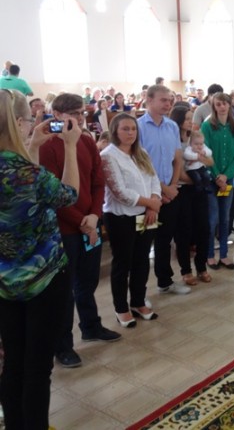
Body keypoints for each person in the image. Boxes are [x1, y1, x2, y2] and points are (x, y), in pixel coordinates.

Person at [0, 89, 80, 429]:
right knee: (36, 368)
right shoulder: (27, 174)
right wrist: (72, 146)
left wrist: (32, 147)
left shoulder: (21, 169)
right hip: (44, 279)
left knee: (13, 363)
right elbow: (68, 194)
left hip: (4, 282)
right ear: (19, 122)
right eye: (29, 121)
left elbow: (24, 197)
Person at [38, 93, 120, 370]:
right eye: (76, 114)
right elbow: (52, 196)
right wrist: (82, 221)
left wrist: (95, 216)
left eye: (84, 114)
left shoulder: (86, 140)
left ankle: (91, 325)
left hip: (89, 223)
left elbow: (98, 182)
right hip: (64, 228)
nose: (82, 119)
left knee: (87, 281)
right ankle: (63, 345)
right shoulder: (47, 146)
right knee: (64, 290)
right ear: (58, 115)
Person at [101, 114, 160, 327]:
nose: (130, 133)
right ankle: (121, 308)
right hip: (121, 217)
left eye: (133, 129)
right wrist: (150, 204)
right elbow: (120, 192)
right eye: (125, 129)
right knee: (122, 263)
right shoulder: (108, 156)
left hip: (147, 213)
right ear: (115, 131)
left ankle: (137, 301)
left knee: (142, 259)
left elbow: (154, 179)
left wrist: (154, 201)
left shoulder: (141, 153)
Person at [137, 85, 190, 295]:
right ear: (149, 100)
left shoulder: (171, 127)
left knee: (165, 240)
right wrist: (162, 190)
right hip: (148, 194)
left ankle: (165, 281)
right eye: (163, 100)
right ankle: (138, 294)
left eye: (170, 100)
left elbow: (177, 159)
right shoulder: (138, 126)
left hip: (170, 191)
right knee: (143, 244)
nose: (168, 104)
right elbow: (140, 164)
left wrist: (173, 186)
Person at [170, 105, 212, 285]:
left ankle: (201, 266)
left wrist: (200, 158)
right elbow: (177, 171)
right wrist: (196, 180)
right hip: (183, 190)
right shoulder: (173, 140)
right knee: (184, 230)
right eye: (187, 119)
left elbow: (210, 160)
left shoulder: (194, 137)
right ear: (178, 120)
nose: (190, 122)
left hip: (198, 189)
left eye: (190, 118)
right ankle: (186, 271)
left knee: (204, 228)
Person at [203, 92, 234, 270]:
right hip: (212, 179)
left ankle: (224, 255)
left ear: (230, 105)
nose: (222, 107)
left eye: (225, 103)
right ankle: (210, 255)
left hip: (228, 180)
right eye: (218, 104)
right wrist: (218, 174)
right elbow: (206, 152)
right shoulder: (207, 126)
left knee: (225, 219)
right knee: (212, 220)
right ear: (214, 106)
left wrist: (227, 175)